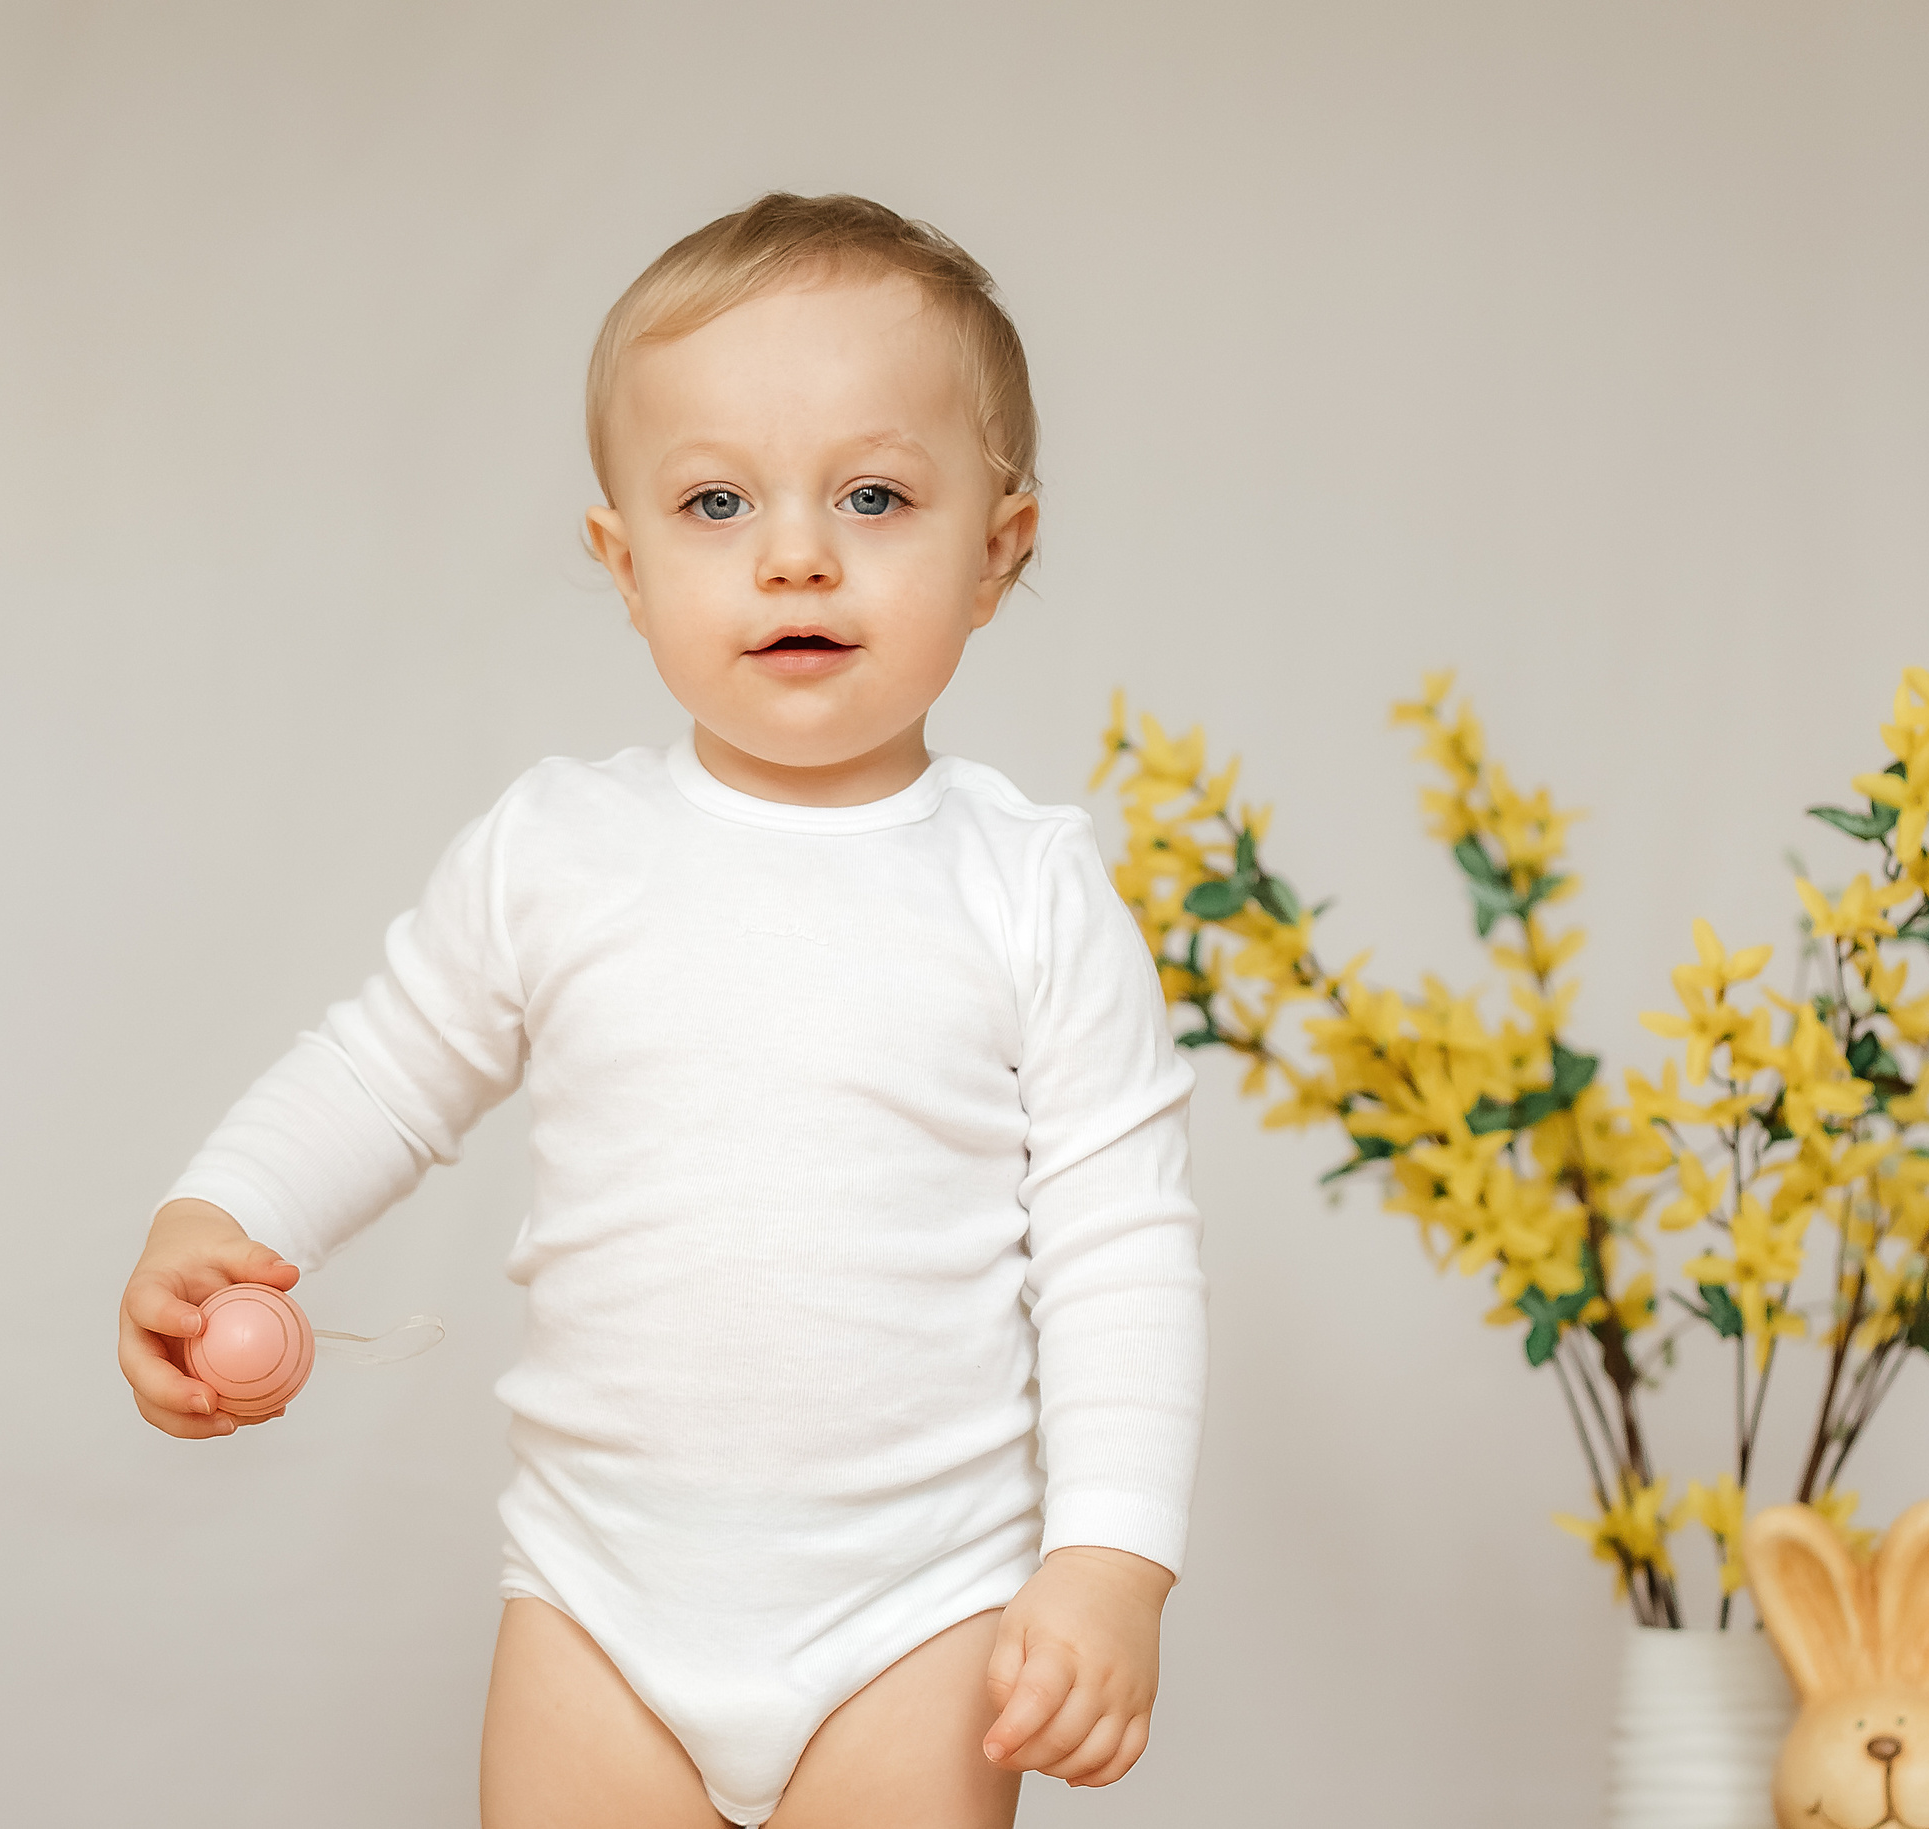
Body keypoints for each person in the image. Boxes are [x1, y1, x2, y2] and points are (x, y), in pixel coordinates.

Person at [115, 192, 1206, 1829]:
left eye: (875, 494)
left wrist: (1115, 1560)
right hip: (599, 1606)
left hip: (918, 1618)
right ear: (624, 564)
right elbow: (385, 1069)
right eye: (716, 499)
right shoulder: (556, 851)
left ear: (999, 548)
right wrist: (221, 1210)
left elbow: (1124, 1241)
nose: (795, 552)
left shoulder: (1028, 889)